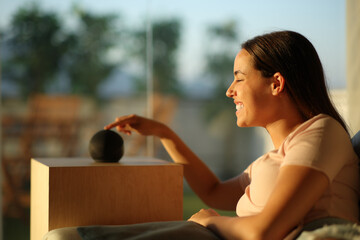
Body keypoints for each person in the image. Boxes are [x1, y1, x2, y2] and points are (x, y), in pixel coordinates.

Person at [43, 30, 359, 240]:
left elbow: (265, 231)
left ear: (276, 83)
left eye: (239, 78)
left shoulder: (321, 132)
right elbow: (213, 191)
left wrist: (210, 221)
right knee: (64, 235)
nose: (229, 90)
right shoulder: (271, 160)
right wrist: (165, 134)